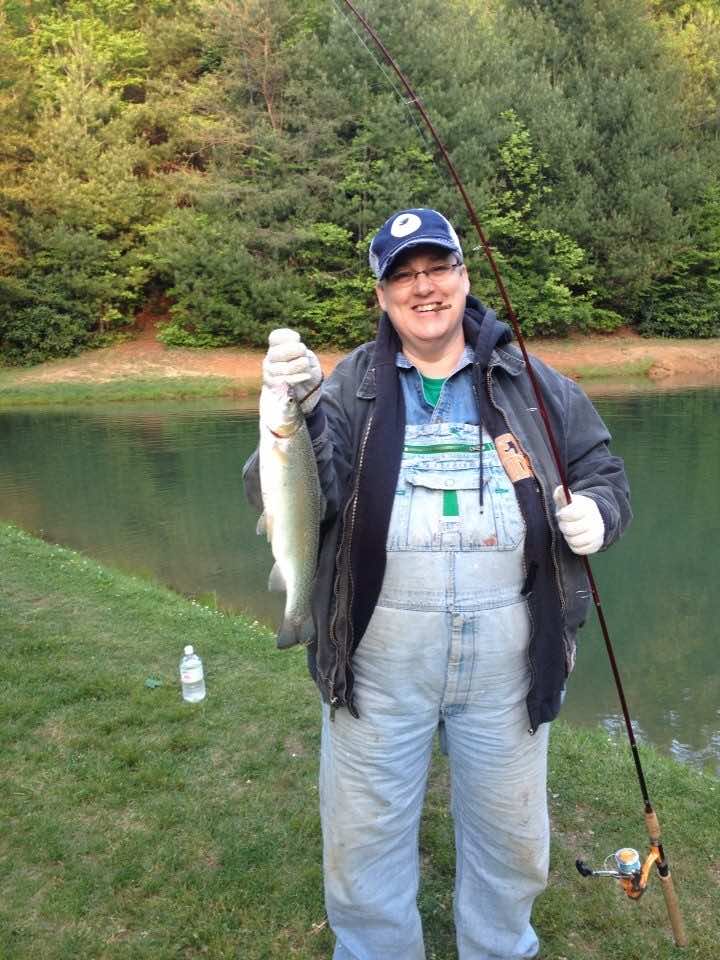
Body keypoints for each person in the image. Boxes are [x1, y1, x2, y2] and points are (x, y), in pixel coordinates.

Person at [243, 207, 632, 960]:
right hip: (378, 657)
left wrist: (598, 515)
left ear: (462, 275)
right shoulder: (348, 384)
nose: (424, 288)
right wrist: (287, 406)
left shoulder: (532, 382)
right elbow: (280, 494)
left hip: (509, 663)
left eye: (436, 268)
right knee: (362, 847)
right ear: (383, 296)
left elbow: (602, 470)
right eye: (402, 276)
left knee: (513, 845)